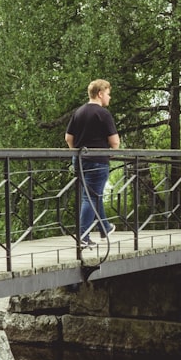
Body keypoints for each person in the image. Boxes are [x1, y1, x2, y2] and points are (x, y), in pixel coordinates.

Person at [65, 79, 120, 246]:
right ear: (100, 94)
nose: (109, 98)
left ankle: (105, 227)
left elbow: (68, 138)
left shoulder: (79, 112)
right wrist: (111, 154)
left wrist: (77, 153)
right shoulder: (103, 113)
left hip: (80, 160)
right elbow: (115, 142)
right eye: (108, 94)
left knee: (92, 195)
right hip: (97, 160)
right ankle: (82, 236)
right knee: (90, 197)